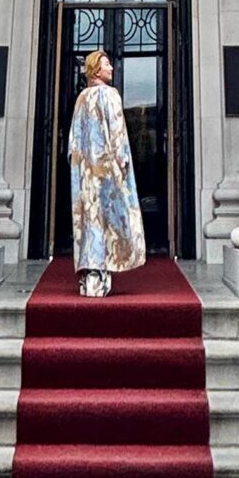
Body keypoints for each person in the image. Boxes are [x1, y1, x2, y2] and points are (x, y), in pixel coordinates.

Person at [67, 47, 146, 296]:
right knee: (110, 222)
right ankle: (102, 273)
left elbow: (73, 143)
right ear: (96, 69)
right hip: (107, 173)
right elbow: (118, 133)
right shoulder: (110, 95)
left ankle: (89, 276)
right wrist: (123, 164)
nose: (111, 68)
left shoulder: (81, 98)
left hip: (85, 175)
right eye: (107, 64)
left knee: (89, 221)